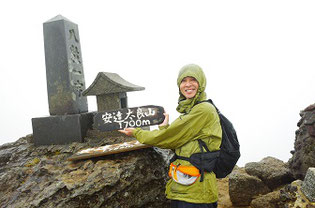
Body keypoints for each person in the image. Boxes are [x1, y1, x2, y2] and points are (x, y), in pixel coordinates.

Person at [119, 64, 222, 208]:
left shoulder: (203, 110)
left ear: (201, 83)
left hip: (197, 193)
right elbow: (179, 143)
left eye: (193, 80)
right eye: (183, 81)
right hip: (185, 187)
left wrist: (137, 132)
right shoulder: (192, 109)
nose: (188, 85)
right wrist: (164, 127)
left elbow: (168, 138)